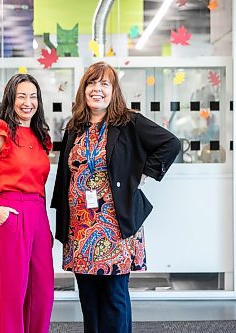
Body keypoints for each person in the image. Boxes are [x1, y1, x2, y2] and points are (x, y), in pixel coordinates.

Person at [51, 62, 180, 333]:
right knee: (88, 296)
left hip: (114, 226)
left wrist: (143, 175)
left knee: (114, 295)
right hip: (80, 227)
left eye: (104, 84)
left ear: (113, 90)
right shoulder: (74, 126)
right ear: (83, 89)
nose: (96, 89)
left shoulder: (128, 122)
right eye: (91, 83)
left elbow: (171, 143)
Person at [0, 73, 54, 333]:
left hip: (37, 214)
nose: (28, 102)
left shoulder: (39, 136)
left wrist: (44, 224)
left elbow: (40, 183)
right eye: (22, 96)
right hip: (10, 212)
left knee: (43, 291)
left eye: (33, 96)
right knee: (12, 293)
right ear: (11, 99)